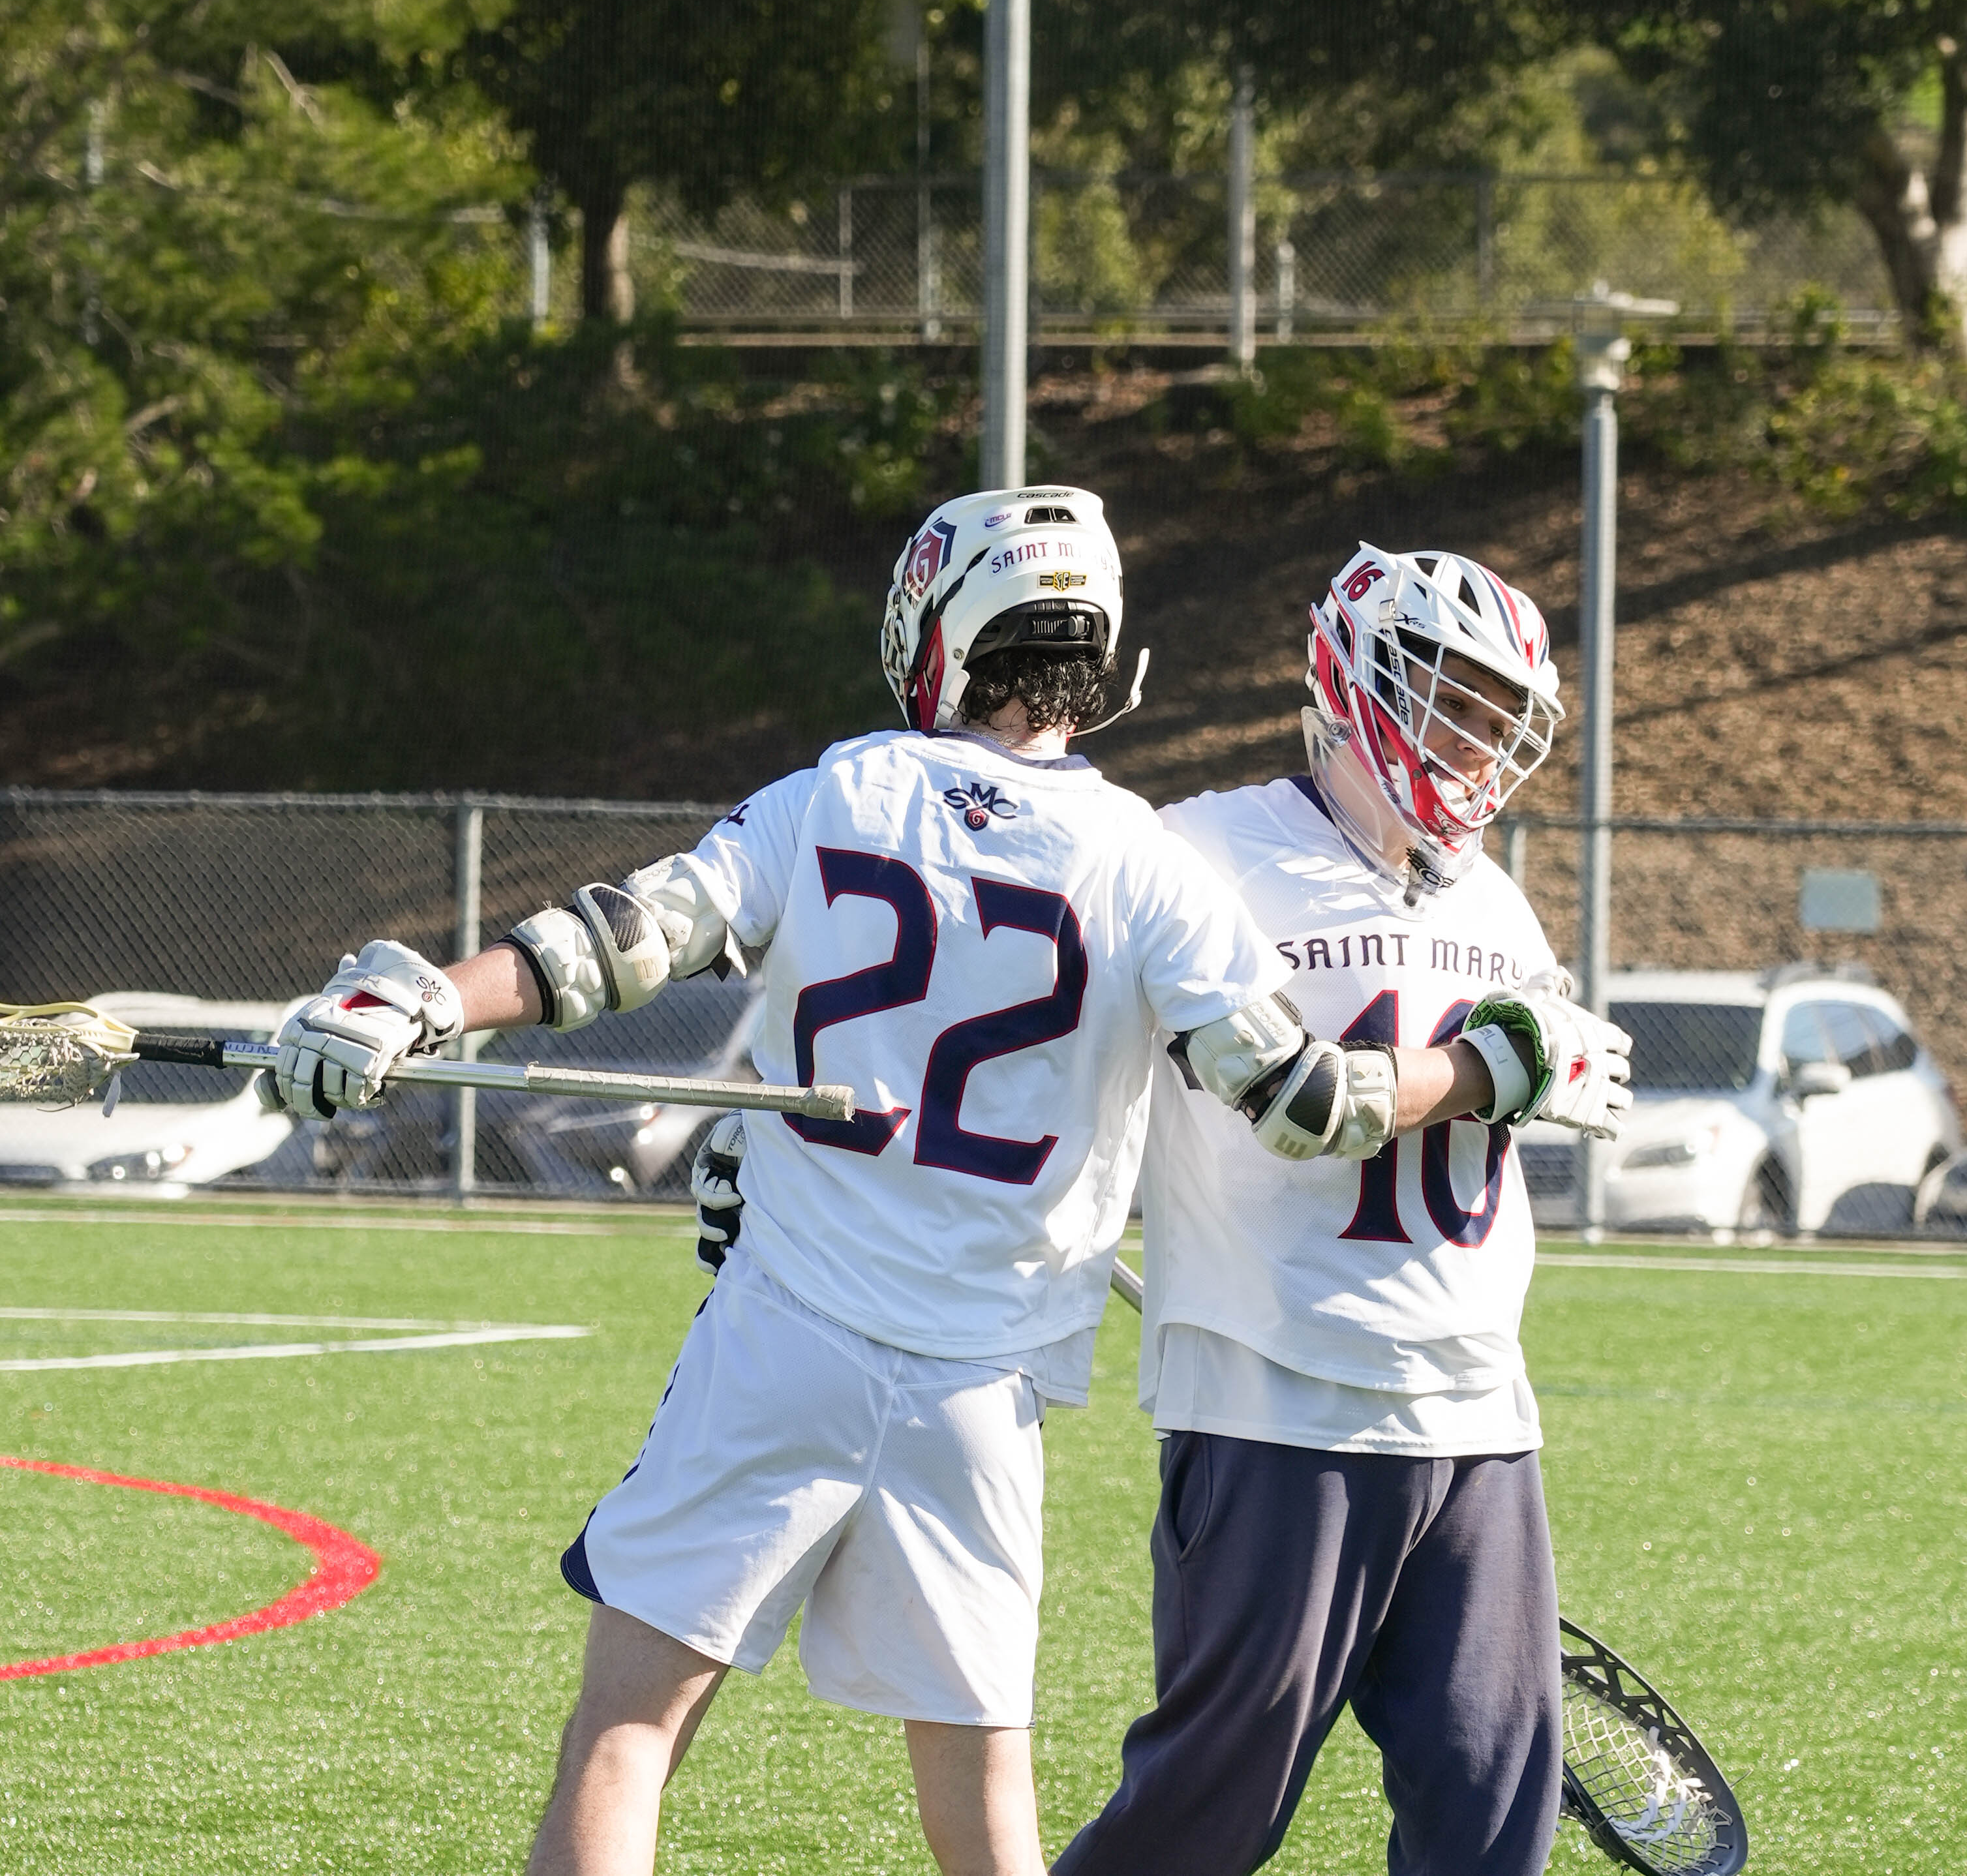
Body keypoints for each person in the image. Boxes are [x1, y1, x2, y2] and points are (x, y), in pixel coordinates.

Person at [260, 487, 1433, 1876]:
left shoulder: (839, 791)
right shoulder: (1144, 861)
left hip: (784, 1335)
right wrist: (1487, 1069)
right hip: (981, 1392)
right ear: (1095, 653)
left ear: (938, 628)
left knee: (627, 1732)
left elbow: (608, 946)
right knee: (984, 1810)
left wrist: (416, 1003)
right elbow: (1303, 1103)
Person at [1044, 544, 1632, 1876]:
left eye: (1497, 715)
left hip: (1477, 1411)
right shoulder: (1201, 848)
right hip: (1276, 1397)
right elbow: (1042, 1031)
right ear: (1355, 675)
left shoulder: (1494, 900)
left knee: (1491, 1813)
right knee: (1204, 1812)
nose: (1474, 740)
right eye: (1450, 698)